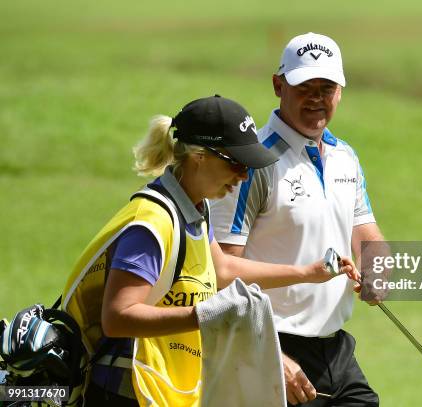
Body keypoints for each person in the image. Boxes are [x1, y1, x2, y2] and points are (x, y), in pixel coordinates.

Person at [60, 95, 359, 406]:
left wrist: (306, 274)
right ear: (200, 156)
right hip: (125, 392)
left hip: (163, 389)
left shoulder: (195, 211)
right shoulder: (151, 224)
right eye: (235, 163)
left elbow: (223, 270)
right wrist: (202, 316)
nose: (243, 176)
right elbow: (119, 317)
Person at [210, 33, 384, 406]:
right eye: (304, 86)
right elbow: (220, 273)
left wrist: (377, 271)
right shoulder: (254, 164)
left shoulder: (345, 158)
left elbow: (367, 234)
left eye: (327, 87)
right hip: (272, 346)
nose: (316, 98)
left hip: (335, 350)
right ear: (278, 85)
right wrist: (270, 355)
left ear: (340, 91)